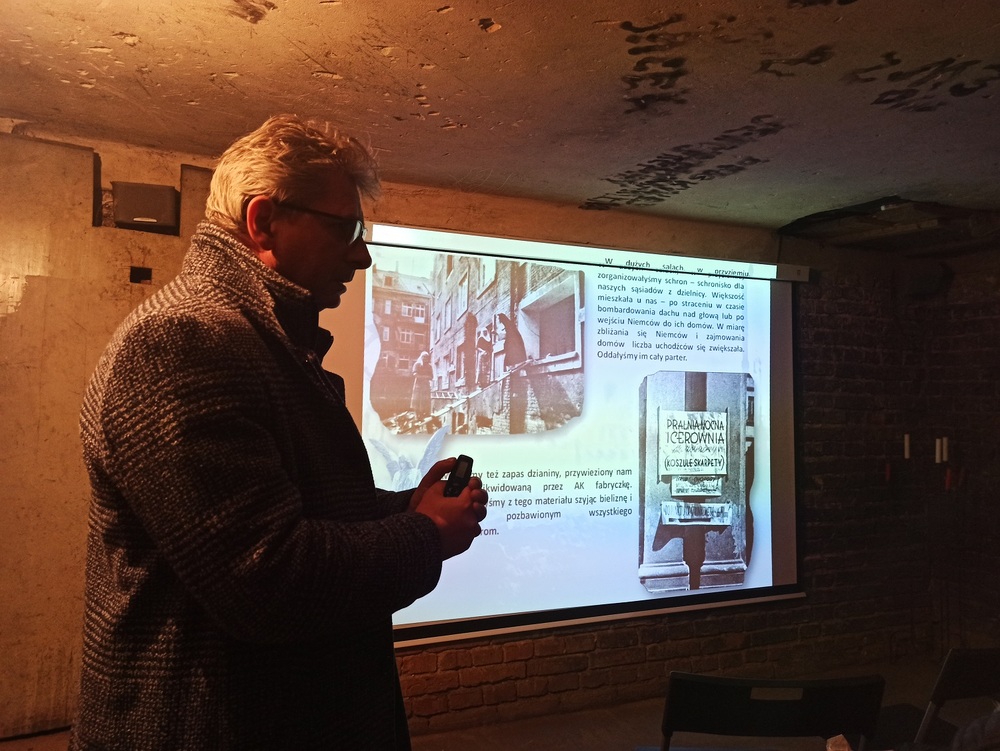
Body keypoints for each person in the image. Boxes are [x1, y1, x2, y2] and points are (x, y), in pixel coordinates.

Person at [70, 114, 488, 751]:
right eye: (346, 229)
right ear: (263, 222)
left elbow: (291, 511)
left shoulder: (258, 339)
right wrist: (425, 534)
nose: (362, 255)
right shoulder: (183, 341)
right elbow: (264, 580)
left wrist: (405, 505)